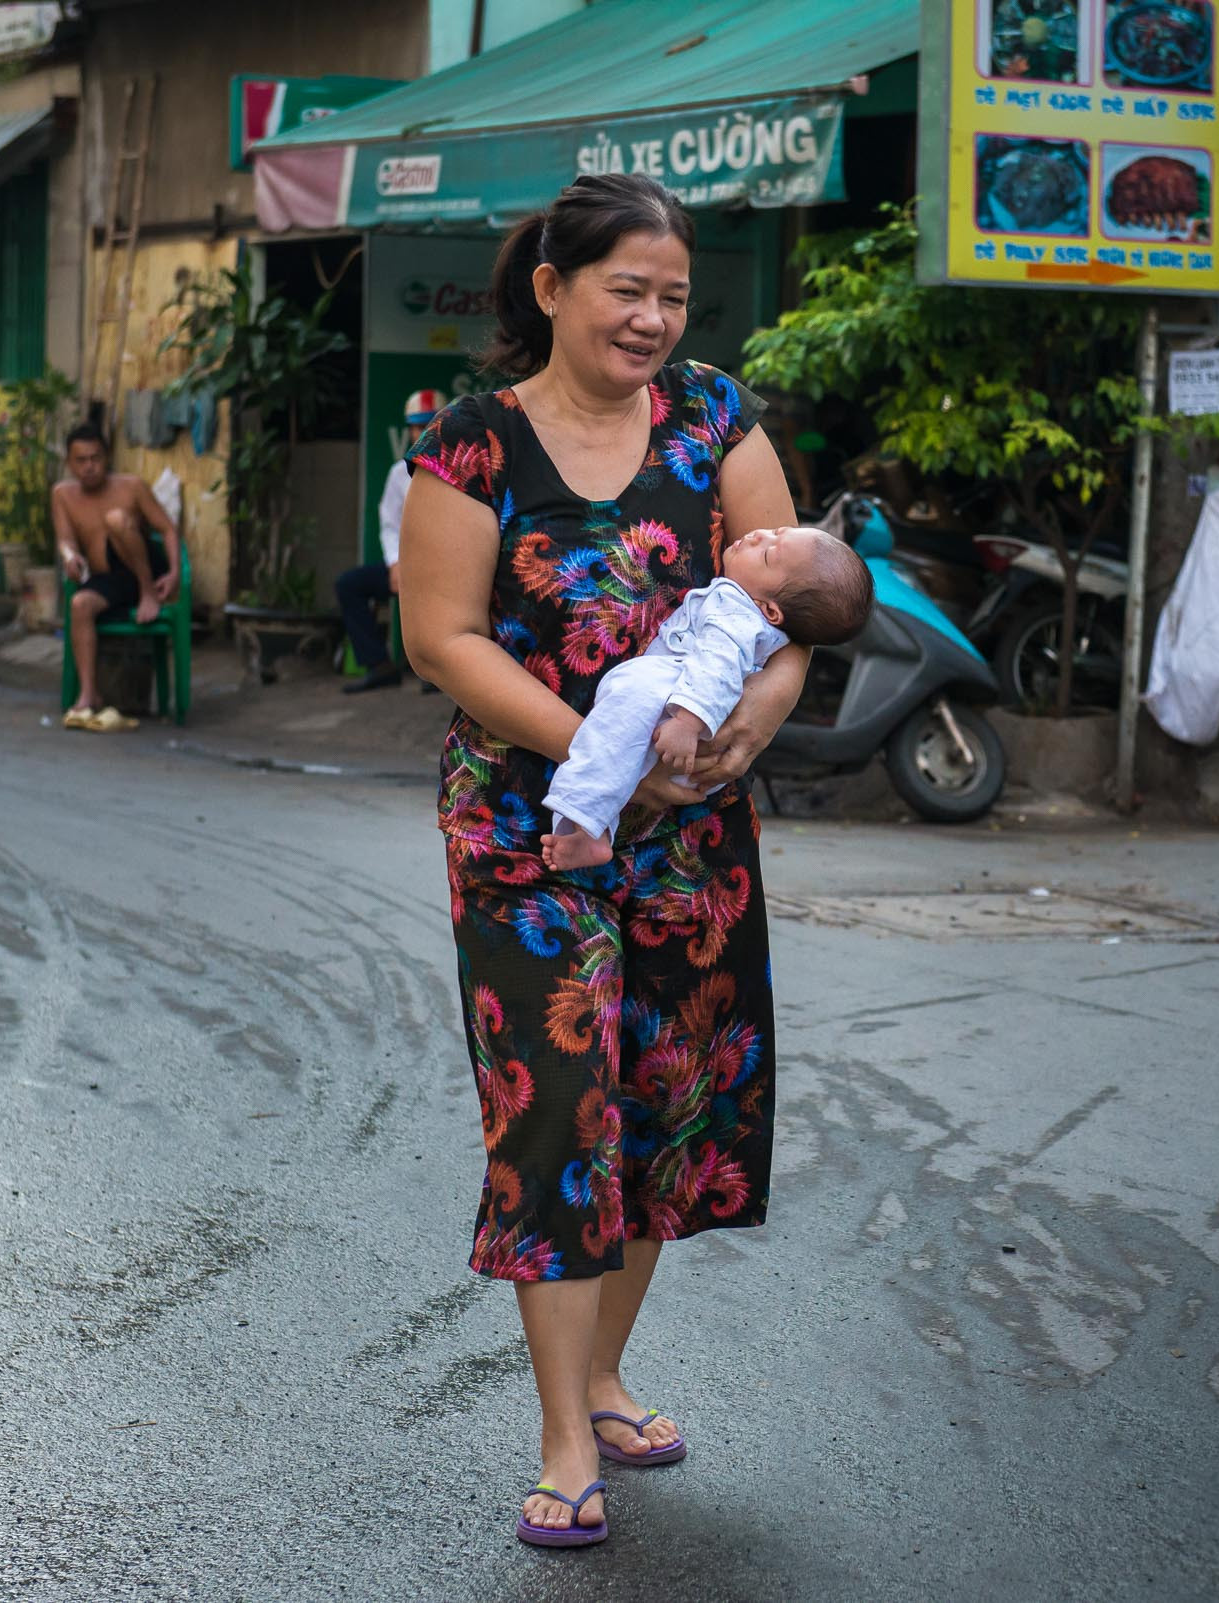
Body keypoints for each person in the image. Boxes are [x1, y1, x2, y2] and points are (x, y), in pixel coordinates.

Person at [398, 173, 809, 1549]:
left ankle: (609, 1369)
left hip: (693, 830)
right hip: (527, 830)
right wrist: (599, 746)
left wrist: (756, 717)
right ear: (552, 287)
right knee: (561, 1108)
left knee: (664, 1099)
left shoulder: (713, 415)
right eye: (625, 287)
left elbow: (793, 592)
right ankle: (565, 1430)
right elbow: (442, 637)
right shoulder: (469, 444)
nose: (651, 317)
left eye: (673, 294)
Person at [540, 524, 872, 871]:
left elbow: (718, 669)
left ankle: (588, 825)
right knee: (620, 726)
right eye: (776, 531)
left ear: (770, 610)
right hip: (687, 736)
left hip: (685, 721)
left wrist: (687, 721)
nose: (759, 535)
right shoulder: (742, 608)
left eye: (769, 553)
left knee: (629, 697)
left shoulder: (737, 616)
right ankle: (588, 827)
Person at [52, 421, 181, 731]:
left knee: (116, 519)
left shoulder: (131, 486)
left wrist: (175, 572)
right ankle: (89, 694)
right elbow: (66, 539)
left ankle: (146, 591)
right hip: (108, 579)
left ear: (106, 458)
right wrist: (70, 557)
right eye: (81, 460)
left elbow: (167, 529)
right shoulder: (62, 494)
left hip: (144, 569)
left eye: (95, 458)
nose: (89, 467)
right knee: (80, 604)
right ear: (70, 463)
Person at [334, 389, 445, 694]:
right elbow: (389, 524)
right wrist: (395, 562)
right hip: (409, 565)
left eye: (429, 424)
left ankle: (443, 673)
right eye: (416, 426)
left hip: (449, 569)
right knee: (349, 584)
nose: (422, 433)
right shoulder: (399, 474)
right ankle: (379, 665)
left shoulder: (464, 470)